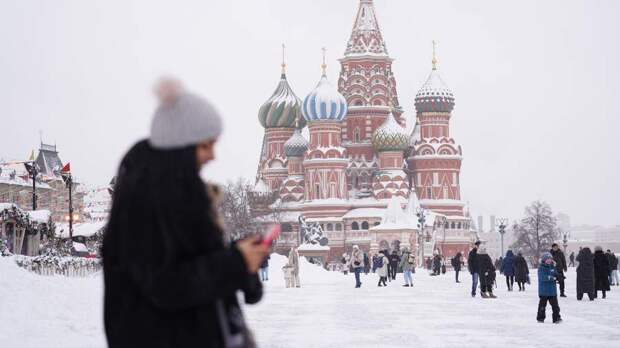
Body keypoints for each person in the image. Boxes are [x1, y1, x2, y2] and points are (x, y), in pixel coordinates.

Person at [103, 79, 269, 348]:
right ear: (179, 146)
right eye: (205, 146)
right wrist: (234, 262)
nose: (212, 156)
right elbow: (165, 284)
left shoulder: (180, 193)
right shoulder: (144, 200)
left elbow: (193, 265)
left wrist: (239, 258)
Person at [537, 252, 562, 324]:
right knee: (542, 306)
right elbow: (543, 277)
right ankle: (540, 318)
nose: (549, 260)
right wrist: (552, 278)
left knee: (555, 306)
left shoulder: (552, 267)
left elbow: (555, 274)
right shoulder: (541, 268)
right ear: (544, 260)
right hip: (544, 291)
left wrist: (559, 276)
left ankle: (556, 318)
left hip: (552, 291)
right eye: (547, 259)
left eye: (550, 259)